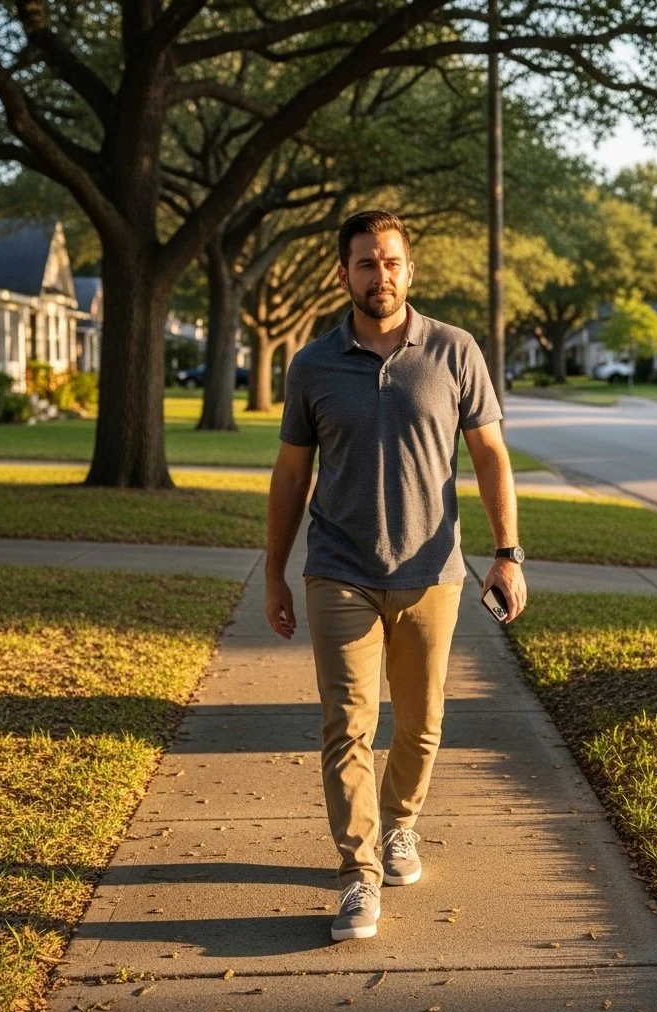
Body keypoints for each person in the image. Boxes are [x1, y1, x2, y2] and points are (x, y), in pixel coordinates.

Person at [265, 209, 527, 942]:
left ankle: (400, 824)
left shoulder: (454, 351)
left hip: (431, 572)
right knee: (348, 725)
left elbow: (490, 457)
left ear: (410, 270)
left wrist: (507, 554)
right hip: (338, 569)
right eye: (365, 263)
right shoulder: (313, 364)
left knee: (421, 724)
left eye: (391, 262)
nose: (380, 275)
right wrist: (275, 575)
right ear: (344, 274)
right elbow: (290, 476)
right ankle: (358, 876)